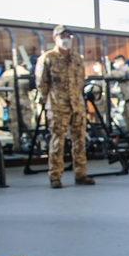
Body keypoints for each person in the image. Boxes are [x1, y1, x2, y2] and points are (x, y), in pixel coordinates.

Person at [36, 24, 93, 188]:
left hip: (77, 105)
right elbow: (42, 84)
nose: (66, 40)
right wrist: (47, 103)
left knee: (80, 141)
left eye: (69, 37)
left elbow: (81, 80)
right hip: (57, 106)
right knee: (57, 142)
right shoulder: (48, 58)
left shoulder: (77, 59)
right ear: (55, 39)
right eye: (63, 37)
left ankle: (81, 174)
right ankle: (55, 176)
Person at [106, 54, 129, 148]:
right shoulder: (122, 70)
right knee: (125, 116)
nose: (115, 64)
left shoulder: (126, 69)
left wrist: (109, 73)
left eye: (116, 62)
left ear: (121, 61)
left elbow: (119, 74)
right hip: (127, 98)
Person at [0, 60, 35, 151]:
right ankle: (30, 144)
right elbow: (33, 86)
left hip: (14, 100)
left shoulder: (8, 73)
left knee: (15, 124)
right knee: (28, 123)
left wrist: (5, 97)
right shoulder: (26, 72)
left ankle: (17, 145)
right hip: (25, 100)